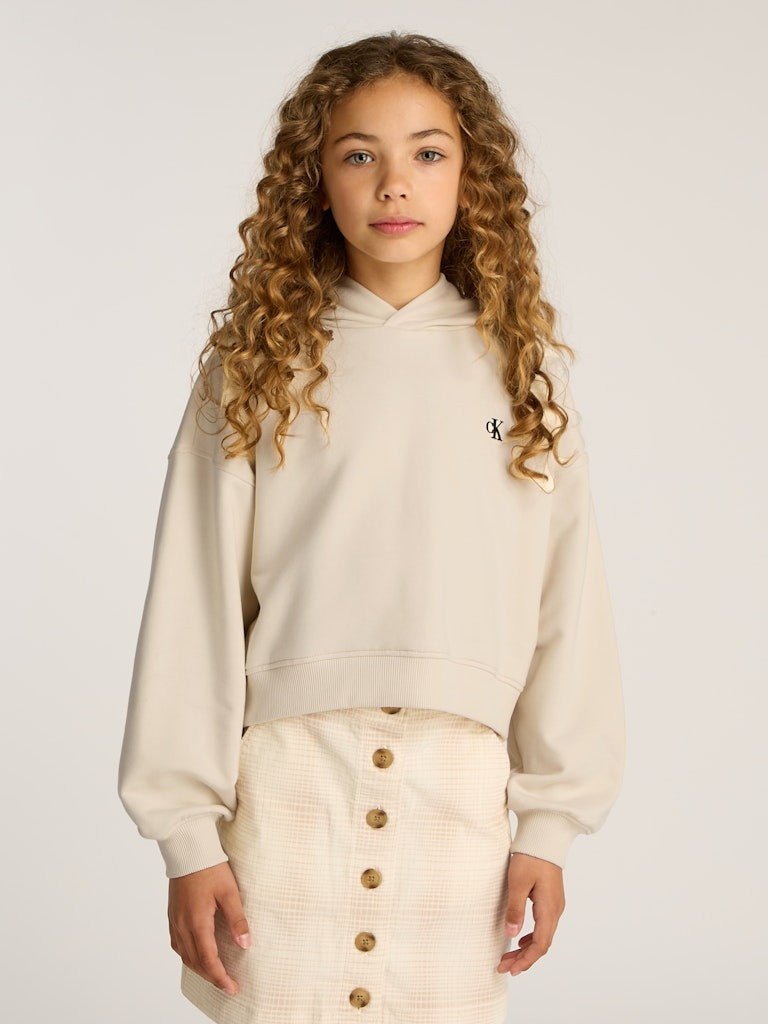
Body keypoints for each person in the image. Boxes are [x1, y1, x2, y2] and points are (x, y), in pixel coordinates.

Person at [117, 29, 625, 1024]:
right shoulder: (255, 370)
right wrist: (188, 837)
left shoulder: (524, 378)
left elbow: (568, 606)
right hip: (285, 789)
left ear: (473, 176)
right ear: (315, 180)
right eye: (359, 154)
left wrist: (550, 825)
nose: (395, 184)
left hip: (461, 797)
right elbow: (193, 601)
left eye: (428, 153)